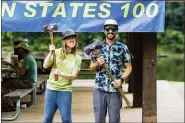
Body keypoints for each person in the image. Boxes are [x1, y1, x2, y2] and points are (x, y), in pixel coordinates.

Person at [90, 19, 132, 123]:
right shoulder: (97, 47)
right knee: (99, 120)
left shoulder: (122, 47)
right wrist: (97, 63)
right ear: (104, 31)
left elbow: (129, 67)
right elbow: (91, 68)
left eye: (113, 29)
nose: (110, 31)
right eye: (107, 29)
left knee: (114, 120)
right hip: (99, 89)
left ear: (117, 31)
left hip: (115, 90)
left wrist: (121, 80)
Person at [43, 29, 82, 123]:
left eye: (73, 38)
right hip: (51, 89)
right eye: (69, 38)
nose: (72, 40)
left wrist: (60, 73)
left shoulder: (77, 58)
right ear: (64, 41)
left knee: (66, 119)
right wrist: (50, 52)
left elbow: (73, 76)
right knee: (47, 118)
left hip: (65, 91)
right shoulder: (56, 52)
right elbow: (45, 65)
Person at [1, 41, 37, 111]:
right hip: (30, 82)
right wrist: (10, 64)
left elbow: (20, 73)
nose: (18, 50)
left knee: (4, 84)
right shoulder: (29, 57)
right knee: (10, 83)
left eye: (19, 49)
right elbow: (20, 72)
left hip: (27, 83)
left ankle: (10, 105)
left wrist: (15, 64)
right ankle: (11, 102)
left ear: (22, 50)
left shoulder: (27, 59)